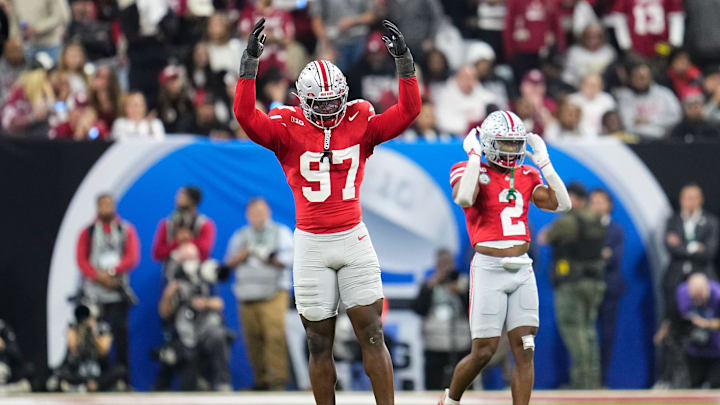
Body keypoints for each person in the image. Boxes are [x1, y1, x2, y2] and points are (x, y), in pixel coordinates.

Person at [234, 18, 420, 405]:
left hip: (353, 237)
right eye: (320, 104)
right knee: (319, 341)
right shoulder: (287, 125)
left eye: (335, 102)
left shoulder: (360, 118)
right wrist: (248, 68)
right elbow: (246, 117)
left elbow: (408, 111)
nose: (330, 111)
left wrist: (404, 61)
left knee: (372, 333)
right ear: (302, 101)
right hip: (312, 244)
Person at [439, 110, 572, 405]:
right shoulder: (466, 168)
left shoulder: (526, 174)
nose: (511, 151)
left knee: (525, 349)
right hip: (488, 267)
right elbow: (463, 198)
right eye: (505, 144)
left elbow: (563, 204)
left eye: (515, 144)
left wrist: (545, 163)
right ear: (487, 143)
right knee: (483, 352)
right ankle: (449, 401)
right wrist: (475, 157)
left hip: (522, 268)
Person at [541, 183, 606, 389]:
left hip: (572, 284)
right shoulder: (596, 219)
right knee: (588, 331)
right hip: (595, 282)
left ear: (575, 199)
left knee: (573, 329)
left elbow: (544, 238)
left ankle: (580, 382)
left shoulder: (568, 221)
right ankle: (593, 380)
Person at [225, 198, 293, 391]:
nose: (258, 217)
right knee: (252, 338)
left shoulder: (281, 233)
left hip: (273, 292)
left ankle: (276, 381)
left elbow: (290, 258)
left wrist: (270, 258)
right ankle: (261, 380)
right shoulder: (240, 236)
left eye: (261, 212)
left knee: (274, 336)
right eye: (254, 213)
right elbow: (228, 262)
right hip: (246, 293)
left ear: (268, 213)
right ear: (248, 215)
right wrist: (241, 256)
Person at [655, 183, 719, 380]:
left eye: (694, 197)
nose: (689, 202)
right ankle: (667, 378)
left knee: (709, 330)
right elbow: (670, 248)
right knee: (670, 329)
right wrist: (693, 248)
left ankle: (710, 378)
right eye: (686, 197)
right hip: (675, 280)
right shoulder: (673, 221)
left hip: (702, 280)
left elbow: (709, 252)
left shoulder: (710, 221)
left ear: (700, 200)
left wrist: (682, 246)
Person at [75, 193, 139, 375]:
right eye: (103, 204)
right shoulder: (88, 231)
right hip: (94, 292)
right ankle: (99, 377)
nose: (106, 208)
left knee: (120, 335)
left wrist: (112, 272)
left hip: (117, 290)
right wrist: (98, 276)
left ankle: (122, 377)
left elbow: (132, 256)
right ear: (97, 207)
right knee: (93, 335)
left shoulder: (124, 229)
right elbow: (81, 260)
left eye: (109, 204)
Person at [157, 247, 232, 391]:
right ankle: (191, 382)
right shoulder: (173, 280)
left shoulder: (207, 276)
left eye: (193, 258)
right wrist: (168, 294)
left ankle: (223, 382)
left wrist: (205, 303)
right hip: (184, 330)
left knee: (218, 335)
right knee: (187, 379)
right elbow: (164, 313)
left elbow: (219, 303)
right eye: (186, 259)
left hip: (206, 326)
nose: (190, 262)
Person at [412, 249, 470, 390]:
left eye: (447, 263)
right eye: (441, 263)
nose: (445, 267)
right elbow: (418, 309)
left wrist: (460, 292)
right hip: (434, 343)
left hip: (460, 342)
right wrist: (429, 288)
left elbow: (473, 310)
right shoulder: (429, 284)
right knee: (433, 384)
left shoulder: (463, 282)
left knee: (463, 385)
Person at [588, 188, 626, 384]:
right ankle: (585, 379)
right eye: (593, 201)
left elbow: (613, 258)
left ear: (609, 205)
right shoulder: (584, 228)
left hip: (610, 288)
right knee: (585, 335)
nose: (597, 205)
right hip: (586, 288)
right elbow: (587, 256)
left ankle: (601, 380)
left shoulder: (617, 229)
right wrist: (599, 254)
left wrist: (595, 256)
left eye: (601, 201)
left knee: (606, 335)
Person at [152, 186, 216, 280]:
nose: (176, 198)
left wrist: (189, 240)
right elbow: (157, 253)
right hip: (171, 277)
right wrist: (177, 242)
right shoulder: (167, 224)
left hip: (197, 278)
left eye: (181, 196)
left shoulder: (205, 224)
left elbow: (204, 251)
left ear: (192, 200)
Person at [615, 62, 682, 140]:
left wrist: (650, 120)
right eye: (637, 77)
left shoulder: (664, 93)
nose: (641, 81)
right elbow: (626, 123)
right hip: (636, 140)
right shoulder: (625, 97)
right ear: (631, 79)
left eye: (643, 77)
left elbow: (676, 117)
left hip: (663, 139)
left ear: (650, 77)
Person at [676, 273, 720, 388]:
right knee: (694, 385)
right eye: (695, 296)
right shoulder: (682, 293)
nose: (698, 299)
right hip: (694, 349)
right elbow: (675, 318)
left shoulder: (717, 295)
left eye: (701, 296)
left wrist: (705, 323)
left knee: (715, 386)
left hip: (716, 349)